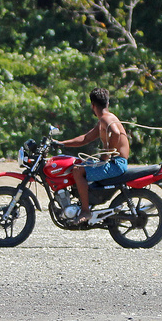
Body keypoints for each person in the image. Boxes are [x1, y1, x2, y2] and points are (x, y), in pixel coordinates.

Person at [58, 87, 131, 222]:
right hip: (116, 162)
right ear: (107, 104)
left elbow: (115, 132)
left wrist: (107, 153)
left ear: (92, 105)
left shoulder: (105, 119)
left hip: (117, 164)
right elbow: (85, 139)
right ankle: (85, 202)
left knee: (77, 171)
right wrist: (62, 143)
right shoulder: (105, 119)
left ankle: (86, 211)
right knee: (79, 165)